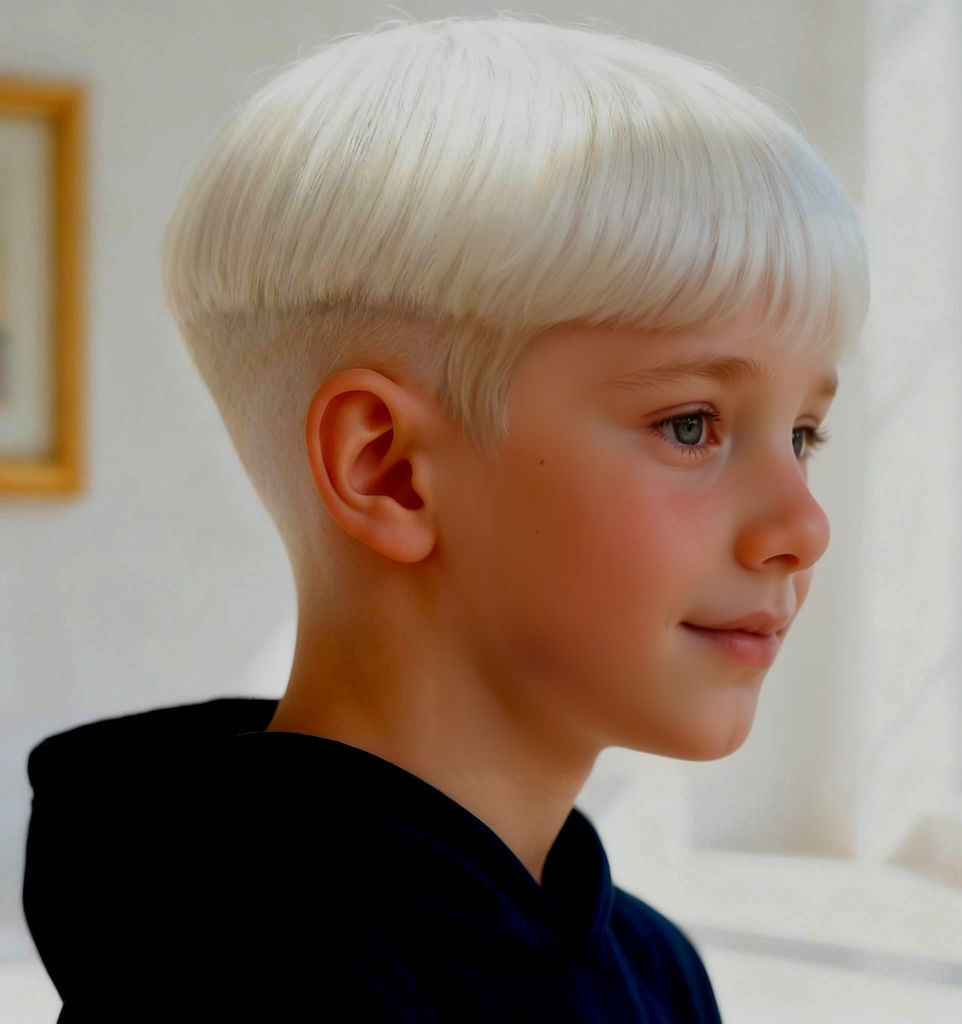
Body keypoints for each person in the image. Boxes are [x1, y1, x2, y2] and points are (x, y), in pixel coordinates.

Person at [22, 12, 869, 1022]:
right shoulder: (237, 986)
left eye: (804, 434)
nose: (803, 526)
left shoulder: (653, 968)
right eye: (691, 424)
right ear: (388, 470)